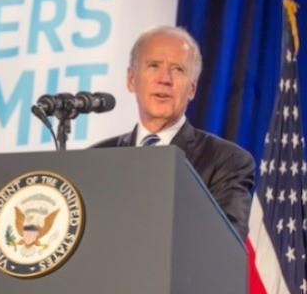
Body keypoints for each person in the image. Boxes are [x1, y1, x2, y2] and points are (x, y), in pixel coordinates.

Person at [93, 25, 254, 240]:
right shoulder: (97, 158)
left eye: (178, 69)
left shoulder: (227, 161)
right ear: (131, 80)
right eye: (153, 66)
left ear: (192, 89)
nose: (165, 79)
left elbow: (226, 241)